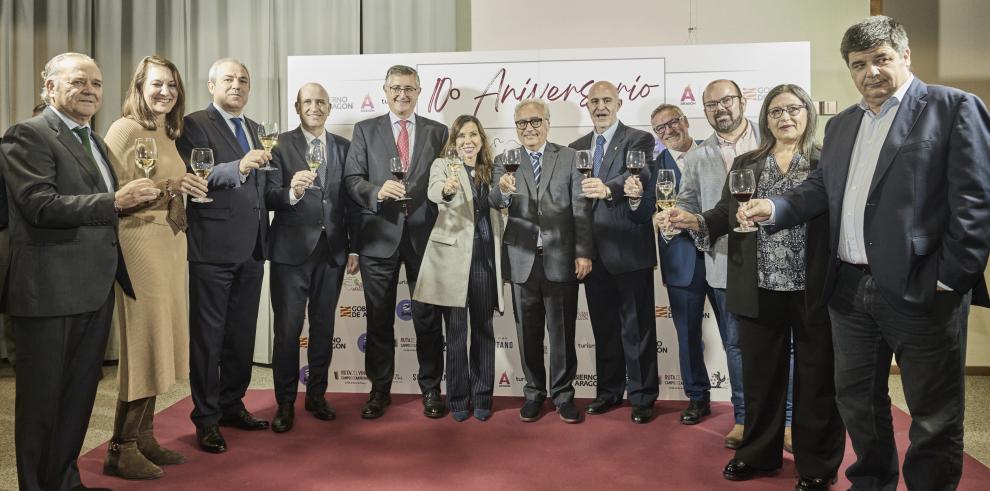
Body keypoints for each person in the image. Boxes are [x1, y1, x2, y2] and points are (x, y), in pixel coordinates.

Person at [743, 16, 990, 490]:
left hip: (923, 289)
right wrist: (772, 206)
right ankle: (872, 482)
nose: (871, 72)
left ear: (905, 56)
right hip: (849, 292)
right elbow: (819, 190)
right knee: (857, 402)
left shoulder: (954, 108)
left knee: (933, 416)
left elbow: (976, 202)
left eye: (881, 59)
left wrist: (949, 278)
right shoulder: (842, 126)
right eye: (859, 64)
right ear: (850, 71)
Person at [667, 85, 845, 490]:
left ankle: (816, 465)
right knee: (761, 378)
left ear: (807, 114)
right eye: (776, 110)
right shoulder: (749, 162)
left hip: (814, 289)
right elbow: (724, 214)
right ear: (765, 119)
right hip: (758, 286)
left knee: (817, 381)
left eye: (794, 109)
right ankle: (758, 455)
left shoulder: (827, 162)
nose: (785, 117)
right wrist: (691, 220)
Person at [1, 52, 159, 491]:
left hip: (93, 289)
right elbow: (40, 206)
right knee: (41, 404)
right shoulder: (27, 136)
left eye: (96, 82)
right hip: (49, 293)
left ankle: (66, 481)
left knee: (77, 399)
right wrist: (115, 202)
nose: (90, 90)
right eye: (77, 82)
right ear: (48, 88)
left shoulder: (93, 141)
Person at [102, 55, 209, 479]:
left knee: (162, 339)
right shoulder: (124, 128)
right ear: (139, 87)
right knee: (143, 342)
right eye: (157, 85)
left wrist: (180, 190)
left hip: (169, 240)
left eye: (172, 86)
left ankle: (144, 435)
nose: (166, 92)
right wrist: (170, 186)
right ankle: (120, 446)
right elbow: (112, 192)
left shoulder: (166, 131)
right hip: (139, 241)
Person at [176, 57, 273, 453]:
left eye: (244, 80)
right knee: (208, 338)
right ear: (211, 84)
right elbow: (194, 174)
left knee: (241, 335)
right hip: (212, 248)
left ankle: (233, 404)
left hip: (252, 248)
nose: (237, 85)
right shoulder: (194, 123)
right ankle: (206, 418)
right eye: (229, 79)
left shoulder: (257, 129)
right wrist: (240, 165)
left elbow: (264, 190)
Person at [343, 65, 449, 420]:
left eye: (409, 88)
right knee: (378, 319)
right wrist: (376, 191)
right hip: (378, 237)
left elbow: (446, 181)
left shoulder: (439, 131)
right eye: (396, 88)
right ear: (385, 90)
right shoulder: (365, 130)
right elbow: (351, 179)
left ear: (419, 91)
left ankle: (431, 388)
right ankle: (379, 389)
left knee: (428, 319)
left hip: (425, 237)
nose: (402, 94)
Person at [490, 98, 594, 424]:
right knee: (527, 334)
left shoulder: (569, 157)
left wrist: (583, 251)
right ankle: (534, 393)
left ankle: (563, 396)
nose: (529, 128)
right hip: (522, 260)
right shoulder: (504, 160)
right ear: (516, 127)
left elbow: (581, 208)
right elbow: (493, 199)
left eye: (536, 121)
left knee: (562, 334)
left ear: (548, 123)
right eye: (522, 123)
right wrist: (503, 192)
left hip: (561, 259)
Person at [266, 83, 359, 433]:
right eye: (308, 101)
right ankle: (285, 402)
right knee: (288, 331)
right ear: (297, 107)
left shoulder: (344, 147)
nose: (315, 107)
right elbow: (269, 195)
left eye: (321, 102)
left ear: (329, 107)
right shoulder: (279, 145)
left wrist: (353, 246)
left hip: (332, 252)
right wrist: (291, 190)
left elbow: (351, 203)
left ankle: (316, 395)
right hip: (290, 254)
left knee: (324, 328)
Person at [568, 81, 658, 424]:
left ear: (619, 103)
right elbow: (576, 205)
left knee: (637, 329)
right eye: (594, 101)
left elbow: (641, 172)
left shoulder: (639, 139)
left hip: (629, 250)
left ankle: (642, 396)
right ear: (587, 106)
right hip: (593, 254)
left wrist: (609, 188)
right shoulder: (577, 148)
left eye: (607, 100)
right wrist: (581, 250)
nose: (600, 106)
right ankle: (608, 392)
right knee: (604, 328)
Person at [675, 79, 755, 447]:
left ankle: (786, 418)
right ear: (704, 111)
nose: (720, 108)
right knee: (735, 346)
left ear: (740, 101)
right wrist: (677, 218)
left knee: (784, 345)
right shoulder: (696, 157)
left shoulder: (769, 142)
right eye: (711, 104)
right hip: (723, 264)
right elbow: (689, 204)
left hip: (779, 262)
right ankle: (743, 418)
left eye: (726, 100)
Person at [413, 115, 504, 422]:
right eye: (462, 135)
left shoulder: (491, 170)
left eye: (473, 135)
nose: (468, 140)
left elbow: (500, 203)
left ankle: (482, 397)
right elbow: (435, 191)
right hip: (452, 261)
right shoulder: (443, 166)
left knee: (483, 330)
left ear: (481, 139)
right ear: (454, 141)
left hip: (483, 259)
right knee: (455, 333)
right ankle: (457, 399)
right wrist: (448, 189)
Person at [649, 104, 715, 425]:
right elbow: (644, 213)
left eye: (672, 123)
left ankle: (748, 401)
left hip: (722, 256)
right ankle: (697, 397)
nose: (668, 131)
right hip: (680, 260)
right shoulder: (653, 167)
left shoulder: (713, 152)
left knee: (736, 336)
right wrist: (655, 218)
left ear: (686, 122)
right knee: (687, 334)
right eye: (660, 129)